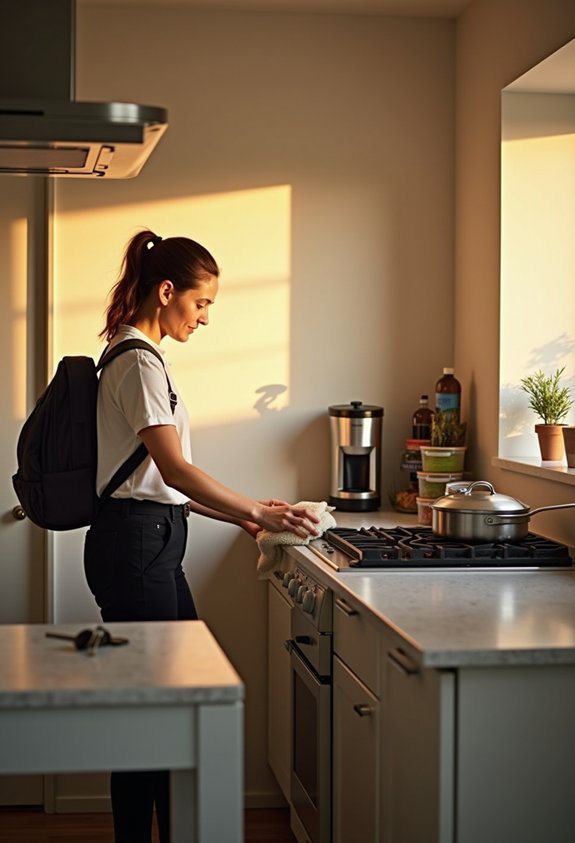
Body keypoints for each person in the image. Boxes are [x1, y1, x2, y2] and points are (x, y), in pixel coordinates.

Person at [83, 228, 320, 843]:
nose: (206, 317)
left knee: (174, 704)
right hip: (136, 549)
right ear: (167, 292)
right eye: (201, 302)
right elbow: (174, 471)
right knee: (153, 713)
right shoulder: (137, 361)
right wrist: (261, 512)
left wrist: (243, 516)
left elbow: (159, 482)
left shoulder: (140, 357)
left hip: (150, 544)